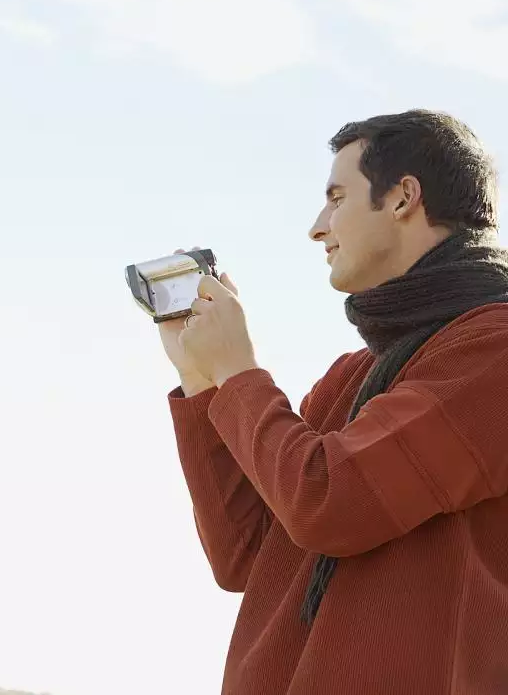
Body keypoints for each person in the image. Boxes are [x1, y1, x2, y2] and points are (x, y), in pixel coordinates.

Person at [160, 110, 508, 695]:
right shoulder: (355, 374)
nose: (318, 227)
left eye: (337, 197)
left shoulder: (493, 351)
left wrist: (239, 370)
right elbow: (247, 555)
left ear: (403, 197)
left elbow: (329, 501)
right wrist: (202, 377)